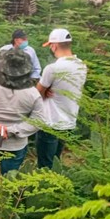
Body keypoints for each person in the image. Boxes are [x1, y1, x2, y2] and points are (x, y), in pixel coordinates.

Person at [0, 49, 45, 179]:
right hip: (15, 146)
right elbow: (38, 121)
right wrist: (11, 130)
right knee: (9, 182)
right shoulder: (32, 93)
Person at [35, 29, 87, 169]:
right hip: (69, 121)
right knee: (56, 162)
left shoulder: (53, 68)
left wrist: (46, 91)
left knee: (45, 165)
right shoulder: (81, 65)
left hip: (50, 121)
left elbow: (37, 94)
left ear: (54, 46)